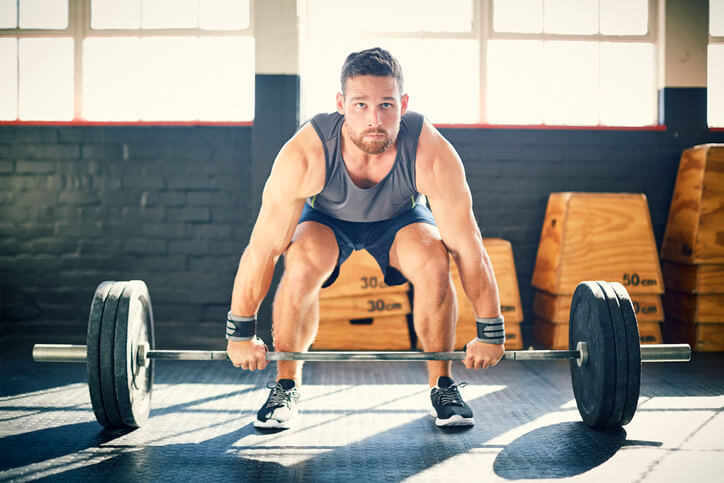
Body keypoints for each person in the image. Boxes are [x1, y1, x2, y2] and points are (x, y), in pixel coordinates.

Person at [226, 47, 505, 429]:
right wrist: (240, 332)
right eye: (360, 105)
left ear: (403, 104)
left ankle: (442, 383)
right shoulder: (306, 154)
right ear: (341, 104)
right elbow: (263, 248)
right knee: (301, 261)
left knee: (435, 260)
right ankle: (286, 384)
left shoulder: (431, 153)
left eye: (386, 105)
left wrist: (491, 330)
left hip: (399, 219)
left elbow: (469, 248)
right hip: (327, 218)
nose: (375, 119)